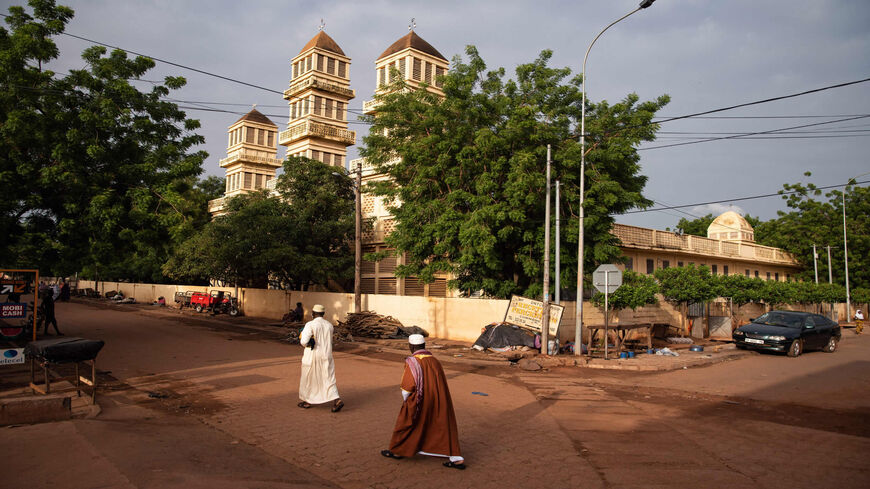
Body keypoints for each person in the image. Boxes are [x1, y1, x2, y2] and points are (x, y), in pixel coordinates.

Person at [381, 334, 465, 470]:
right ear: (424, 345)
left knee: (406, 423)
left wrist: (407, 402)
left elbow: (407, 387)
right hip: (438, 399)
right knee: (443, 425)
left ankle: (398, 450)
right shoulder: (435, 361)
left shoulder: (412, 362)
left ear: (411, 346)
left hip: (419, 399)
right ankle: (455, 458)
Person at [297, 304, 344, 412]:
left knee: (309, 378)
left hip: (312, 356)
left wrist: (308, 341)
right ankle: (337, 400)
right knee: (328, 378)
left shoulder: (310, 324)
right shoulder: (329, 325)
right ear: (323, 314)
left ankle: (308, 401)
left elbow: (304, 341)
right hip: (326, 355)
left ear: (313, 313)